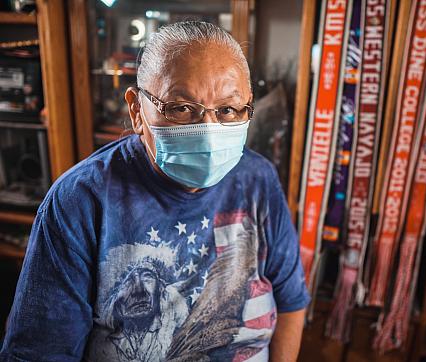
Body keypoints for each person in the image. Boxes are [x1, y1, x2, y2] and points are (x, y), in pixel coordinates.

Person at [0, 21, 310, 361]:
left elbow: (291, 301)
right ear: (137, 110)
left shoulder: (258, 179)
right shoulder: (80, 201)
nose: (208, 131)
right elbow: (41, 353)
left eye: (227, 110)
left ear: (248, 106)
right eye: (181, 108)